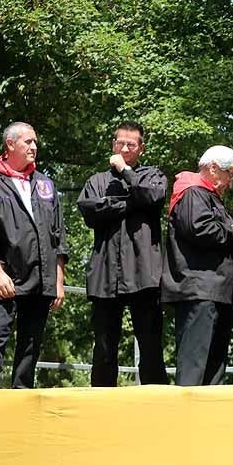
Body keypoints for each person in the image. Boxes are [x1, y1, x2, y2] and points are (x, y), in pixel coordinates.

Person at [0, 122, 68, 389]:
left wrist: (58, 280)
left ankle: (22, 394)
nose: (34, 147)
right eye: (28, 142)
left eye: (35, 142)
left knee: (32, 341)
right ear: (10, 145)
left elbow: (59, 235)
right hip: (5, 275)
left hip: (41, 277)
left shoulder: (44, 183)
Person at [78, 121, 168, 387]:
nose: (125, 148)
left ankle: (156, 404)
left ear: (142, 148)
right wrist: (131, 204)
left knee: (150, 345)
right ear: (112, 144)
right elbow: (90, 210)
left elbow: (153, 197)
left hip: (144, 274)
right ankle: (101, 403)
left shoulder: (154, 175)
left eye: (131, 144)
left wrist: (126, 172)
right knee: (104, 348)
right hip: (106, 274)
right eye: (120, 143)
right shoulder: (97, 181)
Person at [162, 146, 233, 386]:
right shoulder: (193, 191)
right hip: (200, 290)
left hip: (216, 290)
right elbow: (198, 228)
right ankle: (187, 418)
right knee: (195, 364)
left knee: (214, 363)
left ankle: (209, 417)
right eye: (230, 175)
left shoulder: (207, 195)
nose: (231, 182)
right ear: (214, 168)